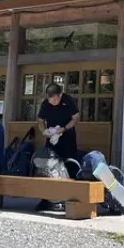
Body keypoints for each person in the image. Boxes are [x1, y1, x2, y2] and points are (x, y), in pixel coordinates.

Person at [36, 83, 80, 212]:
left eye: (55, 99)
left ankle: (70, 200)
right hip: (52, 138)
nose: (53, 102)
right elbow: (40, 120)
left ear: (60, 95)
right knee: (48, 167)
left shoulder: (68, 101)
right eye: (51, 100)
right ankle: (46, 200)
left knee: (69, 166)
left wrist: (64, 128)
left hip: (67, 137)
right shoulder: (45, 104)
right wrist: (43, 131)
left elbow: (76, 118)